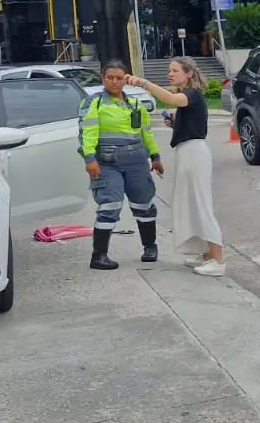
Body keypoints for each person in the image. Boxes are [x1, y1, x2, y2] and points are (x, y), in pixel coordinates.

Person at [128, 58, 226, 276]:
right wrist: (176, 124)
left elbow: (171, 98)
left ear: (188, 73)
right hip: (188, 151)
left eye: (174, 70)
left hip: (194, 153)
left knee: (201, 205)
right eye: (169, 70)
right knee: (190, 204)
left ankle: (217, 259)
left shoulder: (190, 95)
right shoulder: (190, 97)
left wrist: (144, 83)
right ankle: (208, 254)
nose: (170, 74)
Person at [80, 60, 164, 270]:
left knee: (143, 204)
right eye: (110, 78)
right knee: (109, 205)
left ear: (126, 79)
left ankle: (150, 247)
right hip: (107, 163)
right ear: (103, 78)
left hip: (136, 161)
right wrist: (89, 159)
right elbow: (86, 134)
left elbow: (146, 132)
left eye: (119, 78)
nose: (114, 82)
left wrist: (155, 156)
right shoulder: (94, 103)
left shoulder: (135, 104)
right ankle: (99, 256)